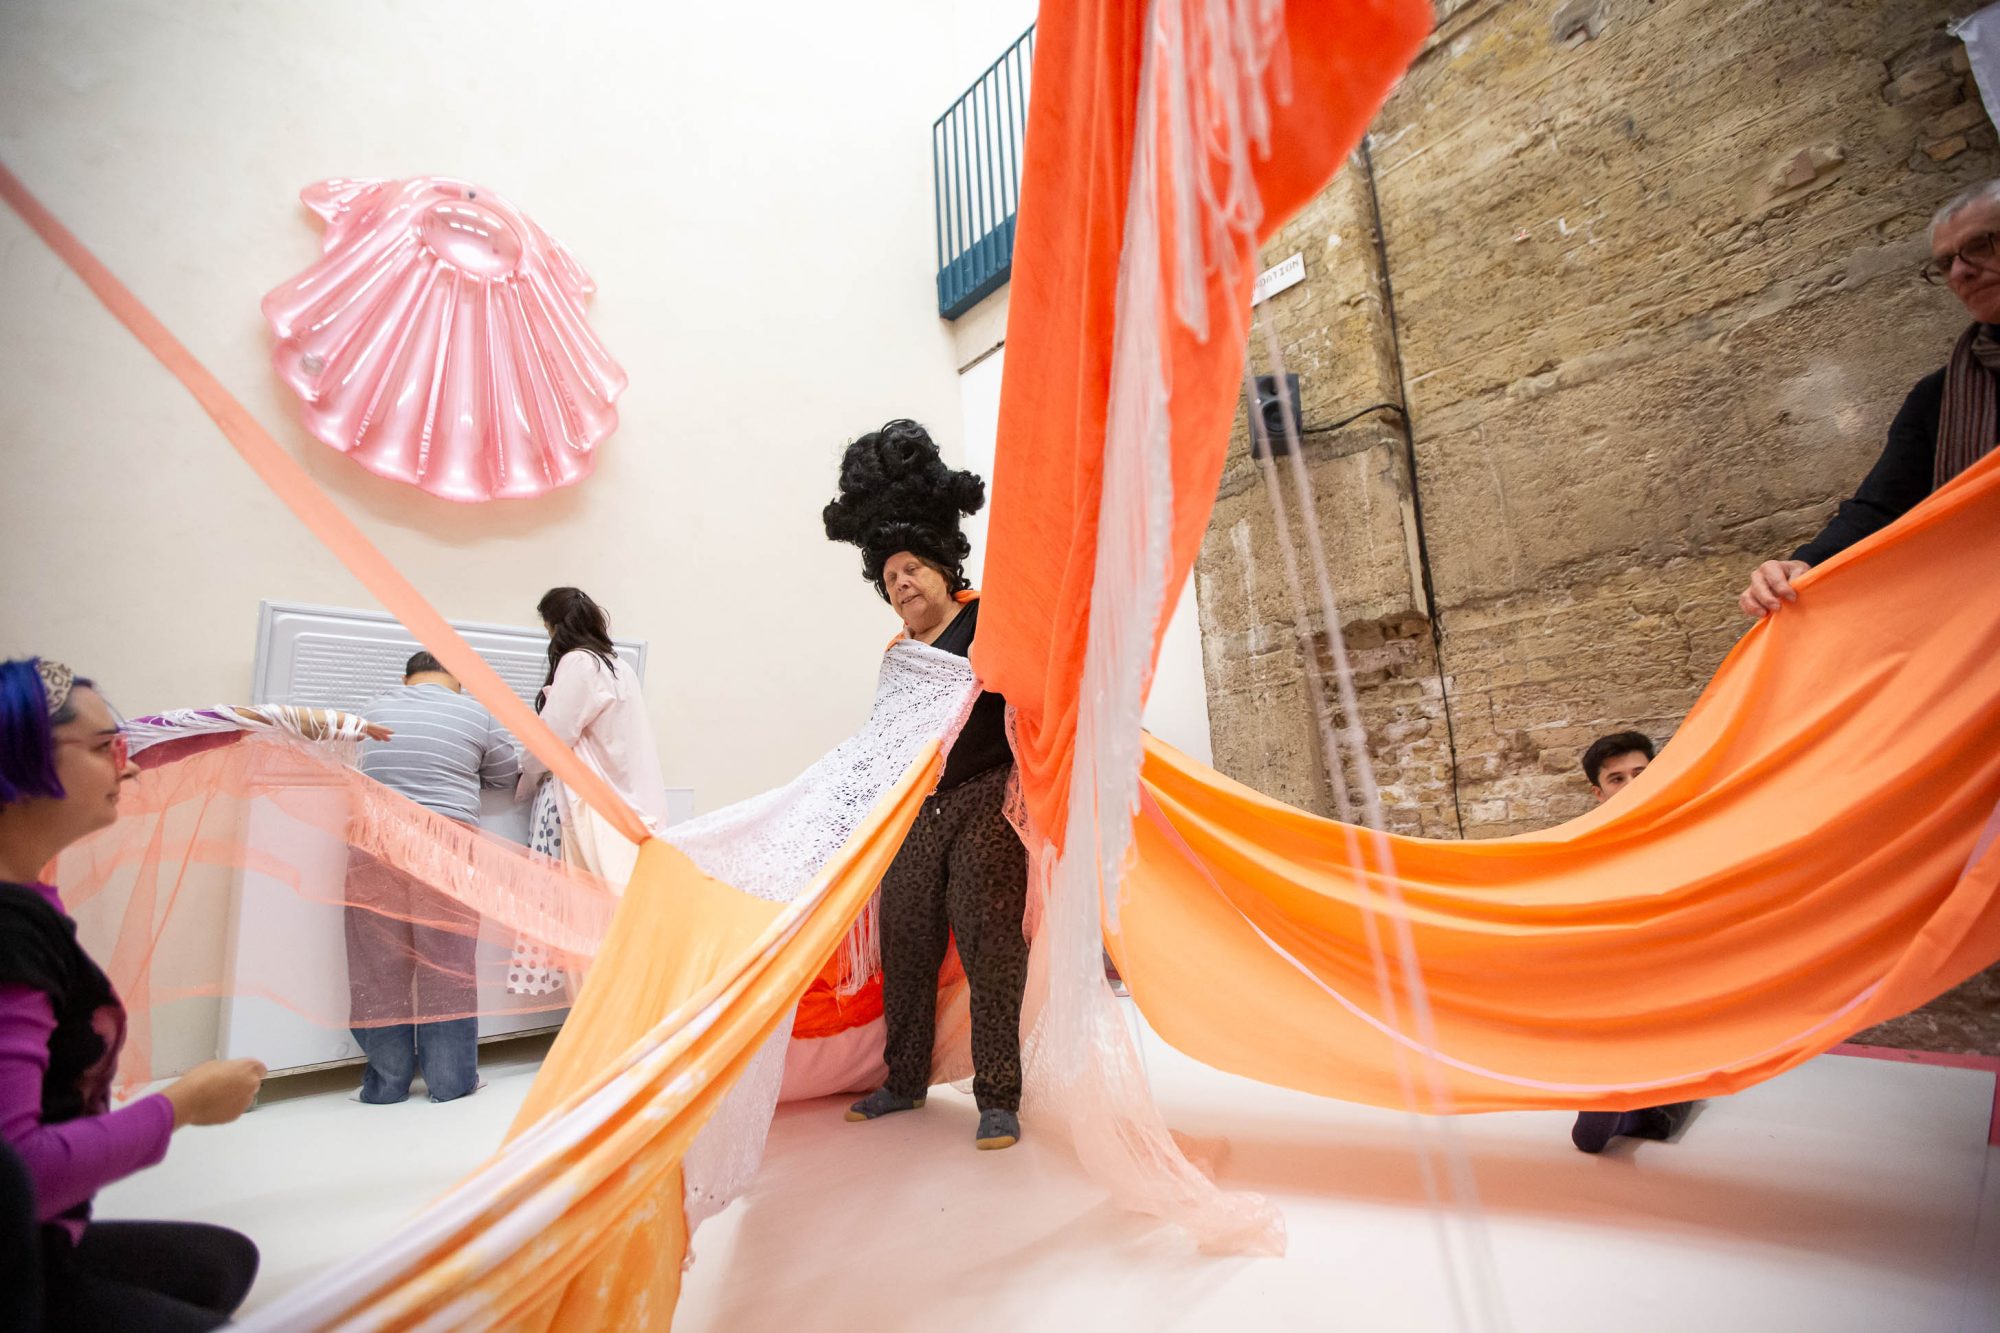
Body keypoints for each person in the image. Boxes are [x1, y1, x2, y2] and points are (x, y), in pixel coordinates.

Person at [0, 657, 264, 1330]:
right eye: (104, 747)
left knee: (222, 1262)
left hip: (47, 1229)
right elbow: (17, 1170)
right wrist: (181, 1106)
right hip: (13, 1244)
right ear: (20, 754)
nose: (130, 765)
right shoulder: (9, 931)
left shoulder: (27, 896)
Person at [828, 420, 1031, 1151]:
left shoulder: (991, 623)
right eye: (889, 578)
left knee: (990, 943)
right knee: (905, 942)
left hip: (986, 798)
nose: (902, 582)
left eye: (911, 567)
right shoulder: (897, 657)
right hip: (919, 812)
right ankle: (903, 1080)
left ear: (944, 567)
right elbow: (885, 746)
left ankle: (999, 1096)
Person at [1740, 179, 2000, 618]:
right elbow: (1879, 507)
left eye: (1980, 246)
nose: (1960, 273)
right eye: (1945, 264)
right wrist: (1802, 563)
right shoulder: (1940, 398)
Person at [346, 651, 521, 1105]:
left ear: (406, 679)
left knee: (377, 966)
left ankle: (384, 1087)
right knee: (448, 965)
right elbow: (506, 776)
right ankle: (451, 1082)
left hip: (375, 839)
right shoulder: (476, 712)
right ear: (457, 683)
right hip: (445, 841)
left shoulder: (374, 705)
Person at [1568, 729, 1696, 1155]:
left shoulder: (1692, 833)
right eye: (1618, 779)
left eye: (1641, 773)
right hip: (1614, 983)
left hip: (1676, 979)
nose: (1632, 785)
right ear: (1598, 793)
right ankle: (1625, 1104)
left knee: (1686, 1072)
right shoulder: (1579, 847)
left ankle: (1632, 1109)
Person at [518, 588, 669, 891]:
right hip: (617, 806)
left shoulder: (579, 663)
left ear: (555, 627)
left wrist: (525, 773)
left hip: (576, 800)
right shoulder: (620, 667)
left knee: (562, 900)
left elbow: (551, 739)